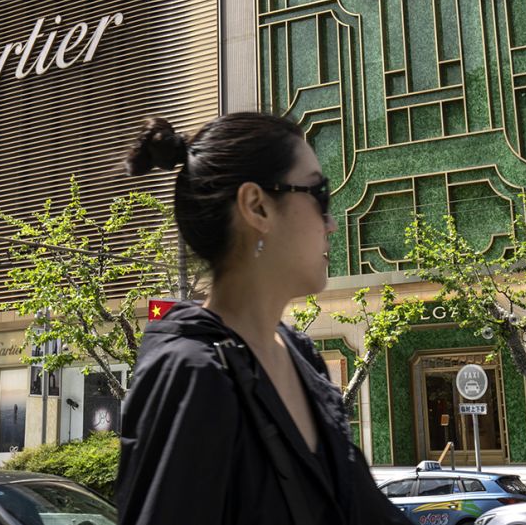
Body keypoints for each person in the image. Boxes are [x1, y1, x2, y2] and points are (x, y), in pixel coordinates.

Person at [116, 114, 410, 525]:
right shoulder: (190, 373)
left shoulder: (301, 354)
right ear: (257, 207)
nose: (332, 223)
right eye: (319, 194)